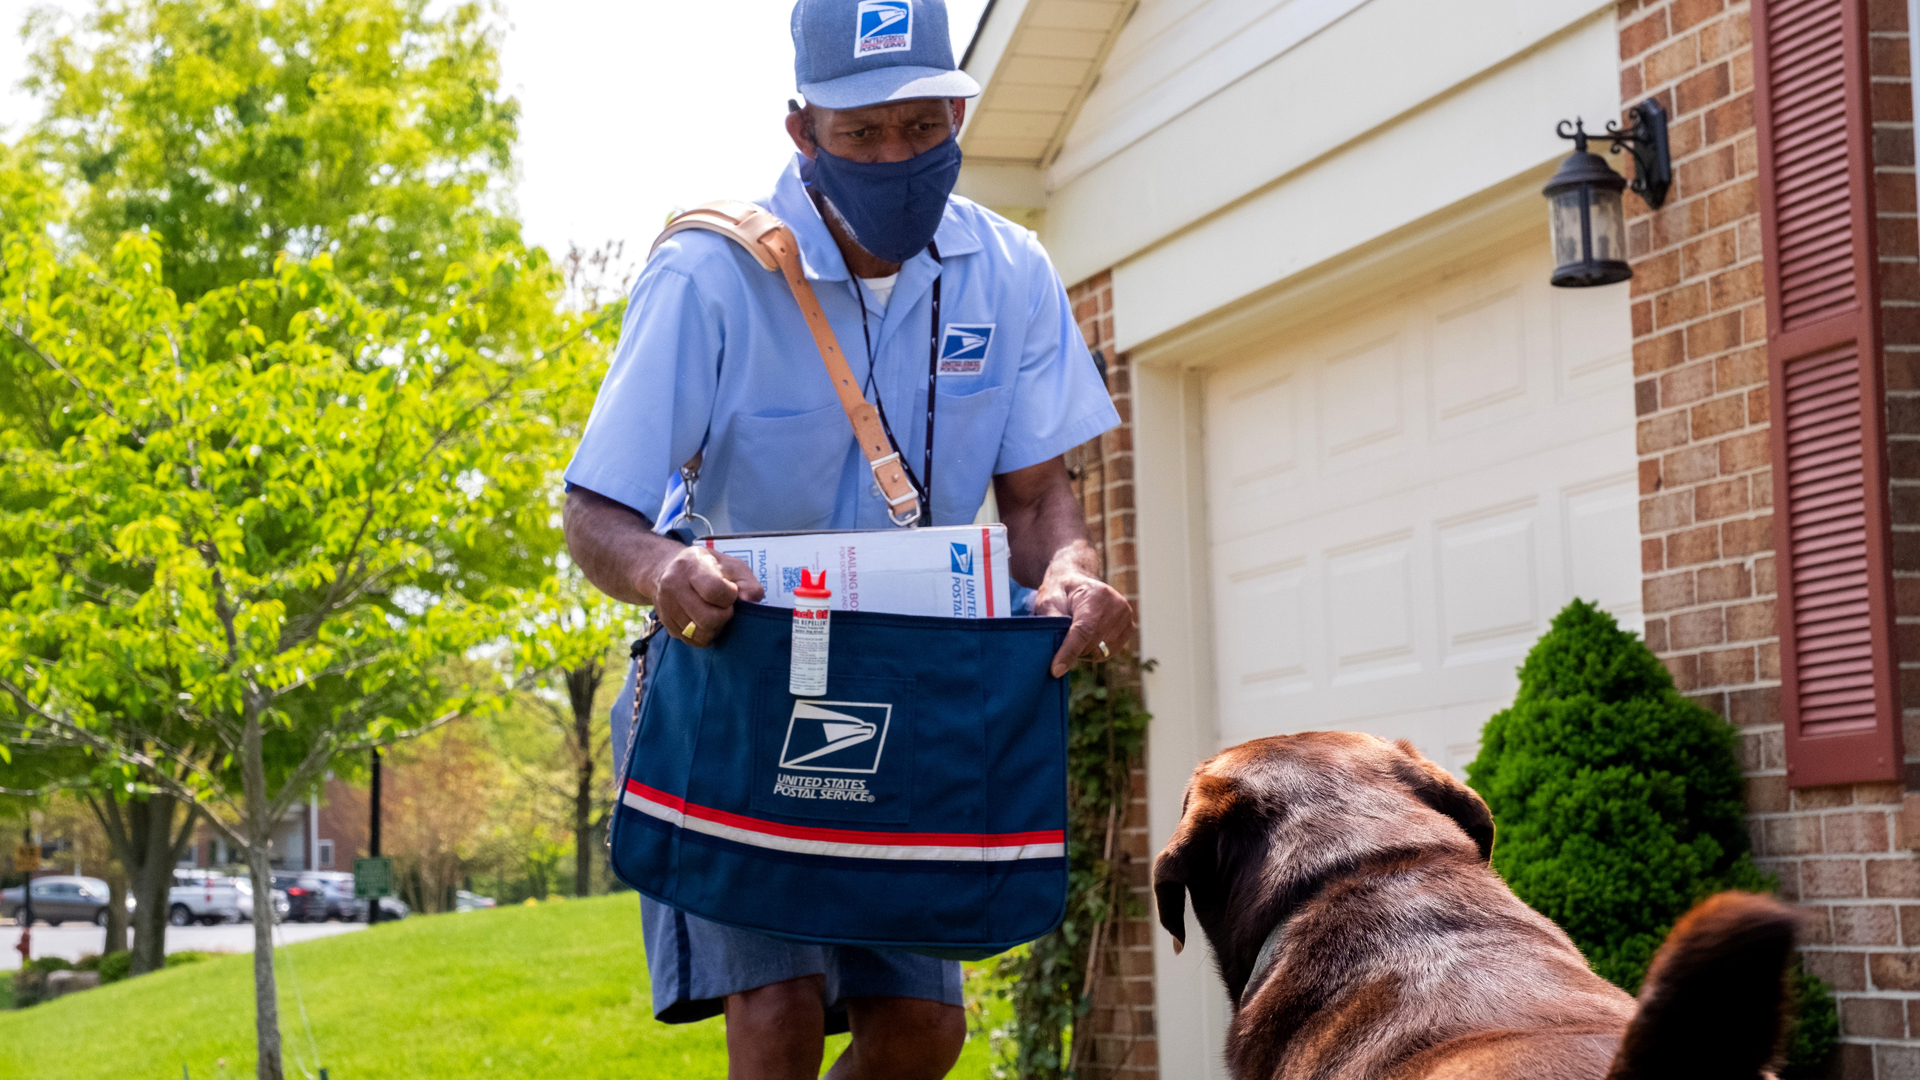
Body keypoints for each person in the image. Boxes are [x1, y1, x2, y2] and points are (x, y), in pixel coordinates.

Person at [562, 1, 1134, 1076]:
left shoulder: (1011, 273)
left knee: (924, 1031)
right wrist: (664, 569)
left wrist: (1070, 569)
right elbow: (594, 511)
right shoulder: (708, 273)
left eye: (922, 127)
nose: (896, 155)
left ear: (959, 113)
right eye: (862, 132)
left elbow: (1038, 499)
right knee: (774, 1014)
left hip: (917, 685)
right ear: (802, 130)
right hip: (739, 681)